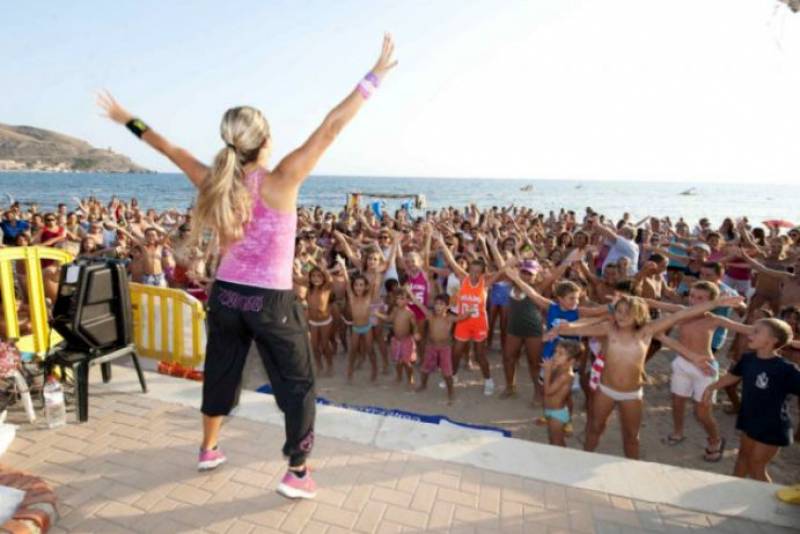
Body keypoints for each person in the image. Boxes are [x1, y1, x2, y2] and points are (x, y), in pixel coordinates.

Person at [97, 34, 398, 500]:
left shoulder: (212, 180)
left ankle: (209, 448)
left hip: (228, 297)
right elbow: (332, 126)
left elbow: (167, 146)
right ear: (265, 140)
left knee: (221, 371)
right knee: (297, 386)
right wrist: (374, 76)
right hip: (271, 301)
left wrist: (126, 120)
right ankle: (297, 472)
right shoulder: (282, 179)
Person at [547, 293, 743, 459]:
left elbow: (681, 314)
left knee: (632, 436)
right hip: (605, 390)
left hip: (632, 394)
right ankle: (585, 457)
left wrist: (716, 303)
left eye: (626, 312)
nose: (621, 315)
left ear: (639, 314)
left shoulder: (647, 331)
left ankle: (632, 465)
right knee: (595, 427)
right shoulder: (609, 329)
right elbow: (581, 327)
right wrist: (562, 327)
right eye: (618, 310)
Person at [702, 318, 800, 482]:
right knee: (742, 458)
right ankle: (734, 489)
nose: (749, 334)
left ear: (772, 340)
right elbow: (732, 377)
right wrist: (712, 387)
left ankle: (767, 504)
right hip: (750, 419)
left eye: (756, 331)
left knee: (756, 466)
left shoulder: (786, 369)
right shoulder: (748, 359)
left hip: (772, 425)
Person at [414, 294, 467, 403]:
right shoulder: (430, 315)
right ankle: (423, 385)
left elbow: (461, 317)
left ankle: (451, 392)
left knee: (447, 373)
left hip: (445, 349)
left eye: (441, 304)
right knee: (425, 368)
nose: (438, 306)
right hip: (431, 347)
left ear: (447, 307)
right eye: (436, 304)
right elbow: (419, 304)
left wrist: (470, 311)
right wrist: (409, 292)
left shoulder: (450, 318)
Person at [542, 339, 582, 446]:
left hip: (557, 414)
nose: (555, 355)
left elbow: (548, 391)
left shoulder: (566, 375)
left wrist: (547, 373)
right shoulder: (559, 368)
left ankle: (562, 458)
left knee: (557, 441)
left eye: (560, 354)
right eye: (555, 352)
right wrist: (552, 370)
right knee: (552, 438)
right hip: (550, 410)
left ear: (571, 361)